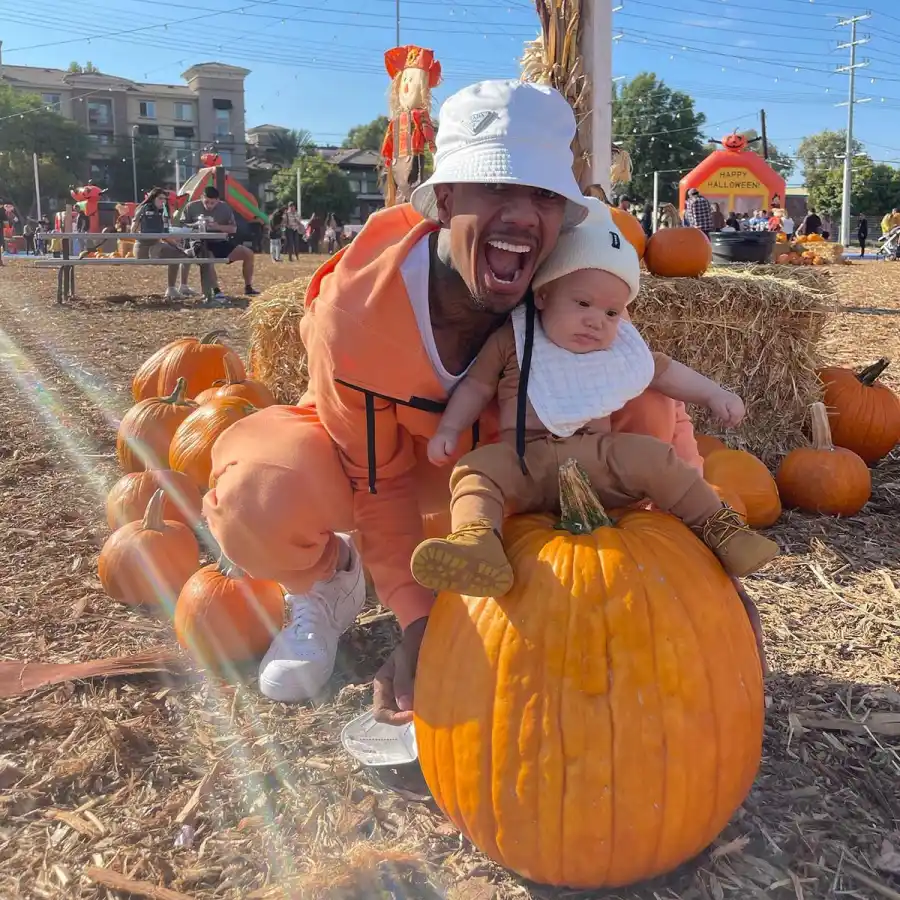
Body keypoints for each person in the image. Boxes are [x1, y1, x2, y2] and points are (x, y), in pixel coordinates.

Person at [202, 79, 766, 719]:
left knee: (638, 404)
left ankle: (599, 591)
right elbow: (377, 484)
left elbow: (661, 411)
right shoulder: (357, 314)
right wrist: (419, 625)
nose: (524, 215)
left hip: (512, 471)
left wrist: (704, 570)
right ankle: (330, 581)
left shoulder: (563, 282)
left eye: (544, 197)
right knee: (260, 488)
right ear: (444, 199)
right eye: (497, 187)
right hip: (399, 475)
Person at [411, 199, 778, 596]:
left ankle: (721, 530)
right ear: (544, 295)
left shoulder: (618, 346)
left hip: (599, 457)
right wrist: (450, 428)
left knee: (656, 458)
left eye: (611, 313)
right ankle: (477, 542)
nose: (595, 320)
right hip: (526, 461)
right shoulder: (515, 339)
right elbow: (477, 386)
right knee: (476, 470)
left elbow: (666, 373)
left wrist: (715, 393)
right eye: (582, 303)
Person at [181, 186, 259, 300]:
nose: (209, 205)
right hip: (199, 241)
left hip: (219, 241)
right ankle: (216, 290)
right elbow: (182, 226)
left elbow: (233, 229)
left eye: (213, 203)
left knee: (248, 253)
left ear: (218, 200)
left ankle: (248, 287)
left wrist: (218, 226)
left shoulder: (225, 208)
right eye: (206, 202)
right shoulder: (191, 207)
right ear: (202, 197)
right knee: (208, 258)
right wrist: (197, 225)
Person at [133, 187, 194, 302]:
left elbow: (164, 231)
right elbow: (134, 230)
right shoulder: (143, 209)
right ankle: (174, 288)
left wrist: (174, 243)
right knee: (179, 253)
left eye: (165, 199)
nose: (163, 201)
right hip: (143, 248)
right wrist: (173, 243)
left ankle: (178, 287)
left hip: (156, 246)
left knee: (181, 254)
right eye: (160, 199)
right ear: (152, 198)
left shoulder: (163, 211)